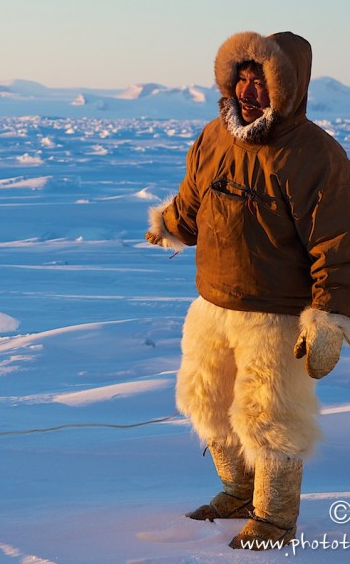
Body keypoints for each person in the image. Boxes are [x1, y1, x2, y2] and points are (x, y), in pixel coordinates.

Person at [145, 31, 350, 550]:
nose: (248, 89)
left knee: (270, 417)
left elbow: (338, 243)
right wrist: (168, 223)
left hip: (276, 314)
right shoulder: (215, 135)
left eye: (262, 79)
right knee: (205, 401)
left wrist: (329, 318)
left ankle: (275, 519)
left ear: (289, 86)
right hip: (213, 302)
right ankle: (238, 490)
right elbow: (195, 199)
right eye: (242, 77)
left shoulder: (316, 156)